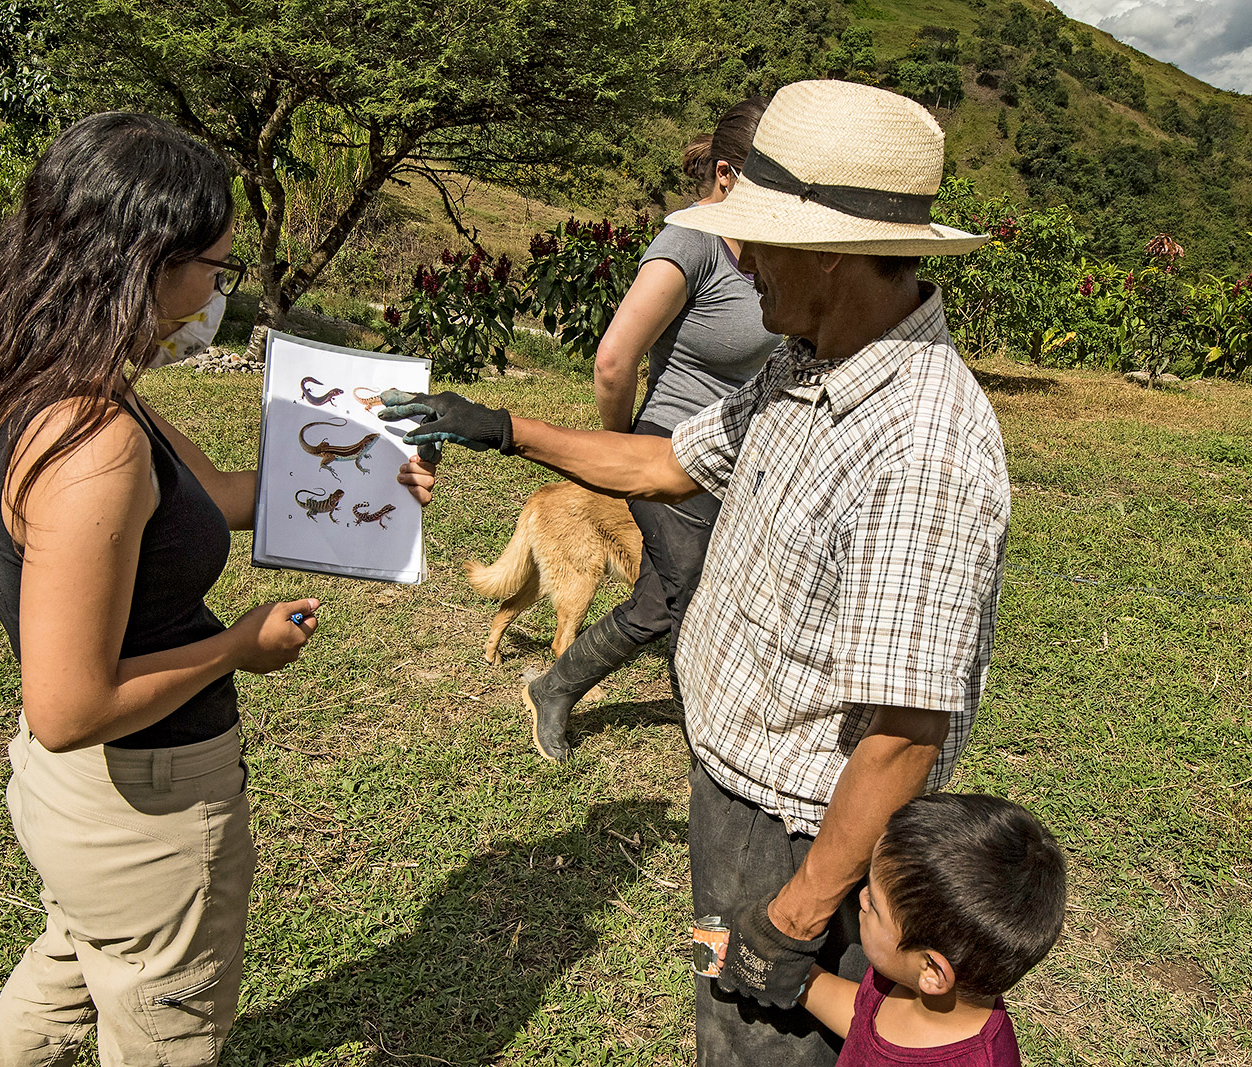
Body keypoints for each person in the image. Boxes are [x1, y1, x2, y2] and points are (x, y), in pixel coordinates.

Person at [380, 79, 1003, 1066]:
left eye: (755, 234)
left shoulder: (922, 444)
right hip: (731, 788)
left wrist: (795, 917)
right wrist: (503, 428)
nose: (736, 253)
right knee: (723, 1035)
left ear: (834, 251)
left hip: (796, 832)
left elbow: (899, 737)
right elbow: (667, 462)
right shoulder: (805, 360)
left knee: (756, 1049)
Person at [0, 112, 435, 1066]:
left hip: (74, 803)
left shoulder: (55, 381)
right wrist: (238, 647)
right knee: (167, 1031)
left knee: (73, 959)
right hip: (142, 808)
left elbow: (221, 499)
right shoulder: (94, 439)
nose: (217, 295)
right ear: (149, 262)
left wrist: (374, 473)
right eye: (215, 268)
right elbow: (71, 704)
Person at [525, 98, 780, 761]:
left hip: (731, 456)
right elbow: (614, 361)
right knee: (683, 599)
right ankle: (709, 744)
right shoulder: (688, 243)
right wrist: (619, 450)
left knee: (662, 599)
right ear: (725, 175)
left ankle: (553, 685)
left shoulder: (763, 243)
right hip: (666, 450)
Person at [798, 794, 1066, 1066]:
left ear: (932, 970)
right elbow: (864, 1023)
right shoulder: (905, 975)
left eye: (876, 906)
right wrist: (797, 977)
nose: (862, 898)